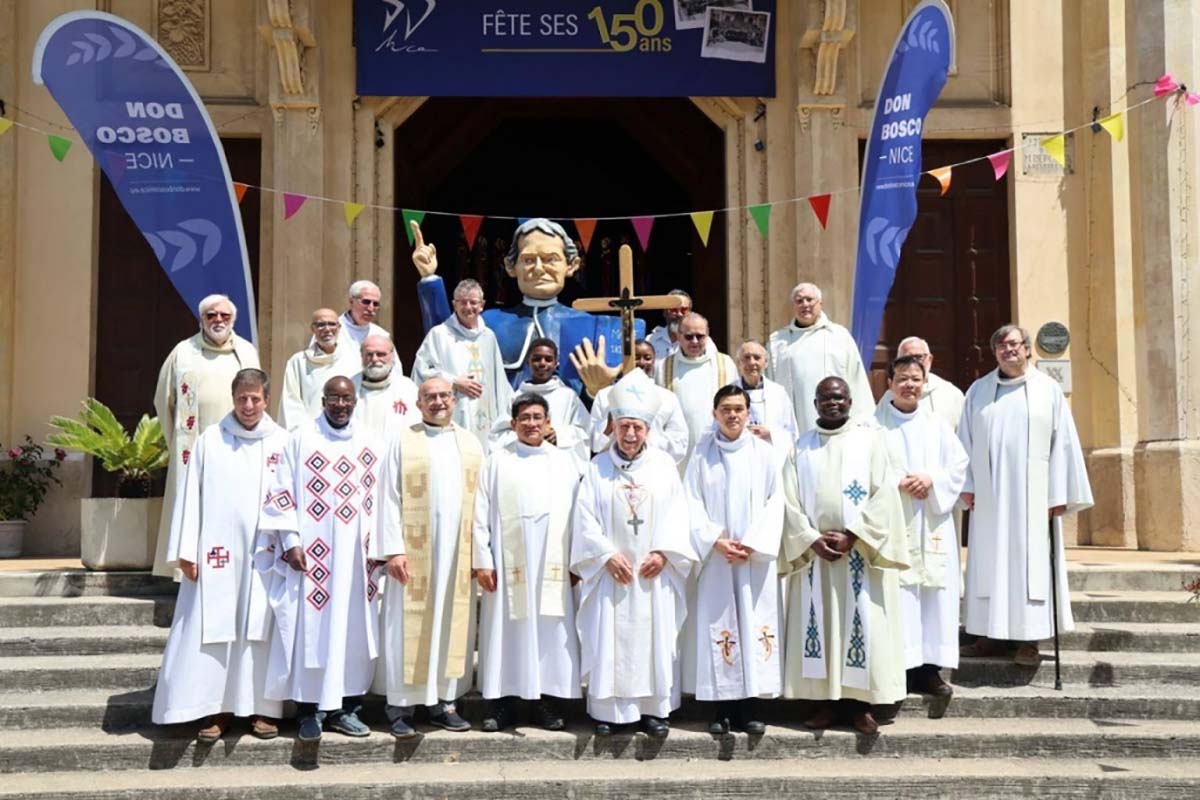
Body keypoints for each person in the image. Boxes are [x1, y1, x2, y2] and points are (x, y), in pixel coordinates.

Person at [151, 368, 287, 741]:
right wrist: (186, 551)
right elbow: (189, 495)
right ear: (233, 398)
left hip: (266, 557)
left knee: (262, 631)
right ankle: (215, 709)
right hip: (217, 557)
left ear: (267, 399)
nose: (248, 405)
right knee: (213, 629)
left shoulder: (283, 442)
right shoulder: (211, 441)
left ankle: (263, 709)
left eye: (255, 399)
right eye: (242, 398)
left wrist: (293, 548)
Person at [254, 376, 380, 742]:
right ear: (322, 401)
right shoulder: (301, 438)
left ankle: (345, 709)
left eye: (347, 399)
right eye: (333, 399)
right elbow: (281, 492)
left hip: (357, 559)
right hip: (313, 557)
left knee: (352, 632)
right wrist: (291, 541)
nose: (341, 405)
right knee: (312, 630)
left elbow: (384, 497)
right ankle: (308, 711)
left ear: (355, 401)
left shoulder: (372, 441)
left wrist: (381, 549)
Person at [958, 325, 1093, 666]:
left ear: (1028, 349)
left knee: (1030, 565)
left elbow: (1063, 443)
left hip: (1034, 501)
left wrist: (1057, 493)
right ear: (995, 353)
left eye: (1014, 344)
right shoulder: (978, 391)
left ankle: (1029, 640)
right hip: (989, 498)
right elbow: (965, 442)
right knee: (989, 562)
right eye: (1001, 345)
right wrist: (968, 486)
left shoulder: (1047, 389)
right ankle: (988, 635)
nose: (1008, 350)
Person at [571, 370, 697, 737]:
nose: (629, 434)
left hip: (652, 573)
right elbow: (584, 517)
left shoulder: (664, 467)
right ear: (612, 426)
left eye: (637, 428)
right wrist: (605, 556)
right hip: (611, 574)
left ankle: (654, 711)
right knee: (610, 639)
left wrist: (665, 553)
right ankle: (608, 712)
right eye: (623, 426)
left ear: (648, 430)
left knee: (653, 639)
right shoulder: (597, 468)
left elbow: (679, 513)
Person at [780, 377, 908, 735]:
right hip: (816, 559)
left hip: (859, 556)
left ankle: (860, 707)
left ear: (850, 401)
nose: (832, 403)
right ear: (815, 403)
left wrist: (854, 535)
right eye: (825, 398)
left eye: (838, 397)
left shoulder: (870, 441)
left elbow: (885, 495)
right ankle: (824, 703)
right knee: (819, 627)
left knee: (862, 626)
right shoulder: (801, 447)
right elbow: (788, 500)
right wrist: (810, 539)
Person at [371, 377, 485, 738]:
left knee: (451, 623)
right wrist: (393, 550)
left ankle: (444, 703)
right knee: (406, 628)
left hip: (456, 554)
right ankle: (401, 707)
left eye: (444, 396)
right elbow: (388, 496)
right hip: (412, 554)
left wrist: (478, 555)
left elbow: (482, 504)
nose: (438, 402)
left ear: (454, 400)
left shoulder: (470, 443)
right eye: (430, 397)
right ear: (418, 403)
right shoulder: (403, 440)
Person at [474, 393, 584, 732]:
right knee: (506, 631)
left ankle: (545, 703)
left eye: (538, 417)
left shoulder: (565, 462)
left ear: (548, 422)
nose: (532, 424)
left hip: (553, 564)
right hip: (507, 563)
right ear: (513, 423)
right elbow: (479, 512)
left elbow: (580, 515)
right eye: (525, 418)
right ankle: (502, 703)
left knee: (549, 633)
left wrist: (576, 562)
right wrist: (482, 560)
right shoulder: (497, 461)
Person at [412, 218, 621, 393]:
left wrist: (596, 390)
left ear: (571, 265)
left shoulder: (590, 327)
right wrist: (429, 279)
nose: (538, 269)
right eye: (528, 260)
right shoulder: (489, 322)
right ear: (511, 266)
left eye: (550, 259)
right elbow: (443, 343)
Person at [682, 385, 784, 735]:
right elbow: (691, 502)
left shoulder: (765, 454)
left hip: (754, 560)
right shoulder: (701, 455)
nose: (733, 415)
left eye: (739, 409)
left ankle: (750, 709)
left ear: (748, 412)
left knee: (753, 627)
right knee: (721, 628)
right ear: (714, 414)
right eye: (725, 409)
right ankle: (720, 710)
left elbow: (775, 502)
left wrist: (753, 543)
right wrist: (715, 540)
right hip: (717, 558)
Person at [875, 356, 968, 705]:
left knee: (932, 596)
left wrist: (931, 479)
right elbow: (863, 471)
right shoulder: (873, 427)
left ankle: (930, 670)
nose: (909, 385)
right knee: (899, 596)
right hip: (894, 522)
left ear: (924, 384)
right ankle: (898, 670)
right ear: (889, 384)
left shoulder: (937, 425)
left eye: (915, 378)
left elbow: (958, 466)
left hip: (931, 523)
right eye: (902, 378)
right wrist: (896, 483)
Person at [153, 294, 260, 578]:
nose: (218, 320)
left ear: (234, 319)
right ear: (201, 319)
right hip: (195, 446)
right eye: (211, 315)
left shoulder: (246, 352)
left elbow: (258, 397)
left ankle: (234, 568)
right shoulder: (183, 352)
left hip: (238, 446)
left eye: (225, 315)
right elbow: (164, 400)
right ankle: (189, 570)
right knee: (193, 507)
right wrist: (177, 440)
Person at [413, 279, 512, 448]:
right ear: (454, 304)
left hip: (485, 415)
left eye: (473, 302)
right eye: (463, 302)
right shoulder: (439, 334)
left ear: (482, 305)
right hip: (454, 411)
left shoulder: (488, 336)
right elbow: (421, 370)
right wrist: (453, 381)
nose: (468, 307)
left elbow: (500, 381)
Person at [768, 283, 874, 433]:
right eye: (799, 301)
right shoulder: (778, 342)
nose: (805, 304)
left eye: (809, 299)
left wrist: (862, 421)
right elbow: (770, 386)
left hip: (836, 423)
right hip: (794, 425)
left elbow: (857, 379)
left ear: (820, 303)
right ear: (793, 306)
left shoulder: (839, 336)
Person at [489, 337, 590, 467]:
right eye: (537, 359)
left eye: (548, 359)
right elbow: (498, 434)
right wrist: (525, 436)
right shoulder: (516, 397)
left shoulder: (568, 396)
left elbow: (585, 431)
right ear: (528, 362)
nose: (542, 363)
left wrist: (559, 435)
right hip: (523, 463)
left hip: (555, 465)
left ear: (556, 363)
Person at [655, 312, 736, 468]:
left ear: (708, 335)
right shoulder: (664, 367)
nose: (694, 341)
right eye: (689, 336)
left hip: (717, 443)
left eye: (700, 336)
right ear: (678, 336)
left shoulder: (725, 363)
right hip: (680, 449)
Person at [589, 339, 689, 465]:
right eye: (636, 357)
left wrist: (645, 437)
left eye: (647, 358)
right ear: (625, 360)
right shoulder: (605, 396)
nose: (641, 363)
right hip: (611, 465)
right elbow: (593, 444)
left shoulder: (668, 398)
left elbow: (680, 441)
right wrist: (608, 429)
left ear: (654, 361)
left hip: (654, 465)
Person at [279, 308, 361, 431]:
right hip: (311, 433)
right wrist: (305, 432)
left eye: (332, 324)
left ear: (339, 327)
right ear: (313, 329)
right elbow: (291, 402)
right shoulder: (298, 362)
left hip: (346, 432)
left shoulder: (353, 360)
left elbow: (358, 401)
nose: (327, 329)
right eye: (321, 325)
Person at [877, 336, 965, 433]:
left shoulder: (951, 393)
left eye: (919, 357)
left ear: (930, 359)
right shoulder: (890, 397)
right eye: (907, 359)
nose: (914, 363)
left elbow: (962, 434)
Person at [733, 340, 798, 455]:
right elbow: (717, 430)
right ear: (739, 363)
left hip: (771, 456)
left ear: (766, 362)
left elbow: (792, 433)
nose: (752, 362)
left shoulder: (778, 393)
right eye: (746, 357)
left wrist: (770, 434)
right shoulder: (728, 394)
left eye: (757, 357)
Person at [354, 333, 419, 438]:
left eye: (381, 354)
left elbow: (416, 428)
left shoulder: (408, 388)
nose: (374, 359)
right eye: (369, 354)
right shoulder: (349, 387)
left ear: (392, 356)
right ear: (362, 356)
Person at [340, 280, 393, 359]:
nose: (371, 308)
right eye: (366, 302)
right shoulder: (332, 330)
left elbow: (394, 365)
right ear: (351, 301)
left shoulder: (381, 335)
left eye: (375, 304)